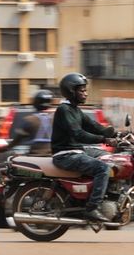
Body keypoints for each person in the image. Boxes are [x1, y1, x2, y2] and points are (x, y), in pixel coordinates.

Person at [51, 73, 118, 222]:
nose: (86, 93)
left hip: (77, 150)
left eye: (85, 90)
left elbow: (94, 126)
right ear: (71, 91)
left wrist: (116, 132)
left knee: (109, 158)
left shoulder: (76, 110)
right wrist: (104, 139)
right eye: (82, 90)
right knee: (103, 168)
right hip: (65, 154)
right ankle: (92, 207)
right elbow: (78, 133)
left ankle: (105, 194)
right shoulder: (64, 110)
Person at [0, 89, 55, 155]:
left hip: (35, 155)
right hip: (53, 157)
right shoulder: (57, 119)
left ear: (35, 102)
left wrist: (5, 148)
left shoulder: (29, 120)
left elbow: (17, 140)